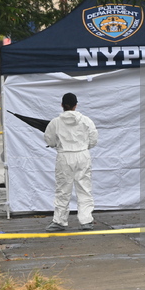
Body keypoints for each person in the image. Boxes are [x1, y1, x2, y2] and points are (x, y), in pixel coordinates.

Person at [44, 93, 98, 231]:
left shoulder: (55, 122)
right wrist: (83, 148)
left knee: (62, 189)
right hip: (82, 154)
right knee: (84, 188)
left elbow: (49, 140)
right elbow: (93, 139)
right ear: (76, 105)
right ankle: (86, 221)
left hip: (64, 155)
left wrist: (59, 145)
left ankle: (59, 221)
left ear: (62, 105)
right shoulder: (86, 120)